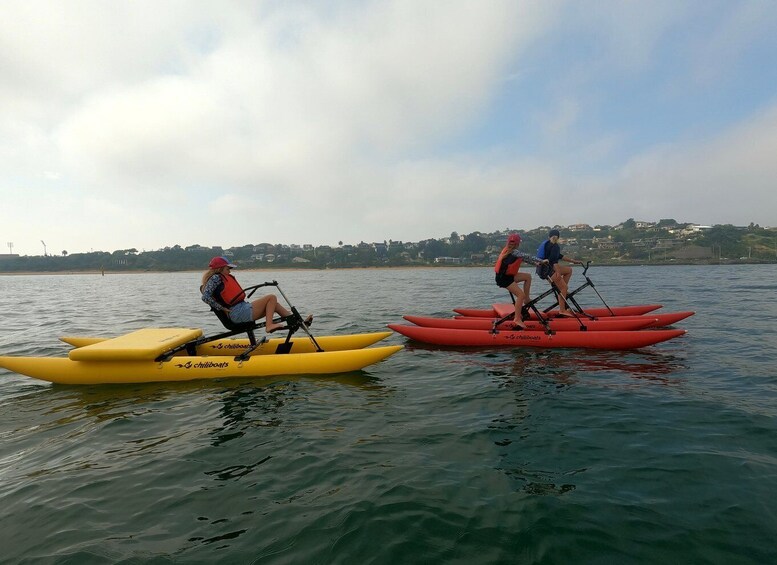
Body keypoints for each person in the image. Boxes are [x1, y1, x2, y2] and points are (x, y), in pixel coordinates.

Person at [201, 256, 299, 333]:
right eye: (228, 268)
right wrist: (221, 308)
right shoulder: (216, 278)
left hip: (242, 308)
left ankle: (297, 323)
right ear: (220, 269)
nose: (230, 271)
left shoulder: (222, 277)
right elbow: (205, 297)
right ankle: (269, 325)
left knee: (275, 305)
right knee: (271, 298)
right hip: (237, 313)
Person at [494, 233, 549, 329]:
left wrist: (536, 264)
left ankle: (527, 299)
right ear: (518, 243)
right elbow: (526, 256)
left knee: (527, 277)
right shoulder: (514, 252)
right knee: (520, 295)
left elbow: (525, 259)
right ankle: (517, 318)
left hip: (507, 276)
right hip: (504, 279)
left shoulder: (510, 251)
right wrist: (541, 261)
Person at [536, 229, 584, 317]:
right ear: (558, 237)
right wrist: (558, 272)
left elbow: (560, 256)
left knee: (568, 270)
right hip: (548, 271)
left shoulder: (548, 244)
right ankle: (562, 310)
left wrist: (573, 261)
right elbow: (554, 262)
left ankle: (561, 292)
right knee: (563, 288)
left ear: (548, 237)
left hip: (543, 270)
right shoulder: (555, 246)